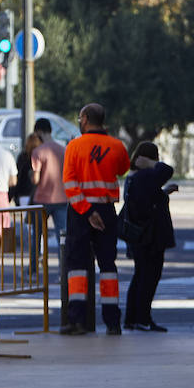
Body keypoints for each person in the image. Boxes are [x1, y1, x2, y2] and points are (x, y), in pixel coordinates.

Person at [60, 102, 130, 336]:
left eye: (80, 118)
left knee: (77, 266)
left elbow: (70, 184)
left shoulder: (74, 146)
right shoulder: (117, 145)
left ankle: (77, 321)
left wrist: (88, 212)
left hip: (81, 212)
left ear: (86, 119)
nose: (79, 122)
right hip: (107, 211)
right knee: (108, 266)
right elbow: (122, 169)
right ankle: (112, 322)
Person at [121, 141, 178, 333]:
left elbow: (147, 198)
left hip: (138, 235)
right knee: (149, 277)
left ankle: (131, 318)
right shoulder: (146, 175)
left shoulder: (132, 177)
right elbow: (166, 170)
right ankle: (143, 318)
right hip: (151, 236)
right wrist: (151, 165)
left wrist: (162, 193)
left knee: (139, 276)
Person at [30, 117, 68, 255]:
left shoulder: (38, 152)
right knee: (62, 238)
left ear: (39, 131)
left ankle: (33, 271)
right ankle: (62, 273)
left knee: (36, 236)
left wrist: (30, 176)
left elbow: (36, 179)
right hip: (62, 198)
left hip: (42, 199)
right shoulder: (63, 150)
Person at [11, 132, 41, 206]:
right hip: (39, 196)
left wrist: (14, 195)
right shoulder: (40, 157)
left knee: (25, 217)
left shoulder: (23, 157)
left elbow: (18, 177)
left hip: (23, 195)